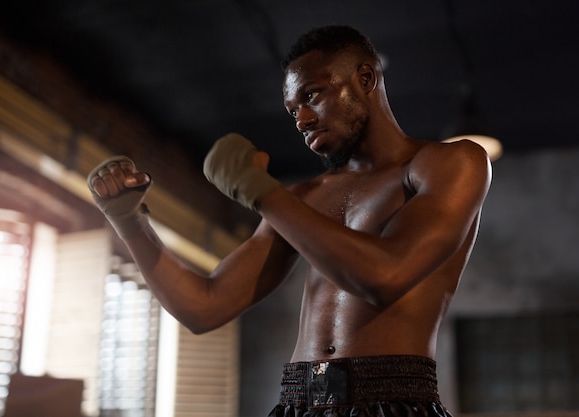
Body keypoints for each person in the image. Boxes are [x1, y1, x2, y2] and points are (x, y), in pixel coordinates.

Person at [88, 25, 491, 417]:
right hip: (299, 403)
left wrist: (260, 191)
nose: (301, 119)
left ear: (365, 78)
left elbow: (386, 276)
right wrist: (129, 221)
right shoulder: (303, 199)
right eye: (292, 110)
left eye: (311, 95)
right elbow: (204, 307)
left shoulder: (449, 163)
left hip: (393, 400)